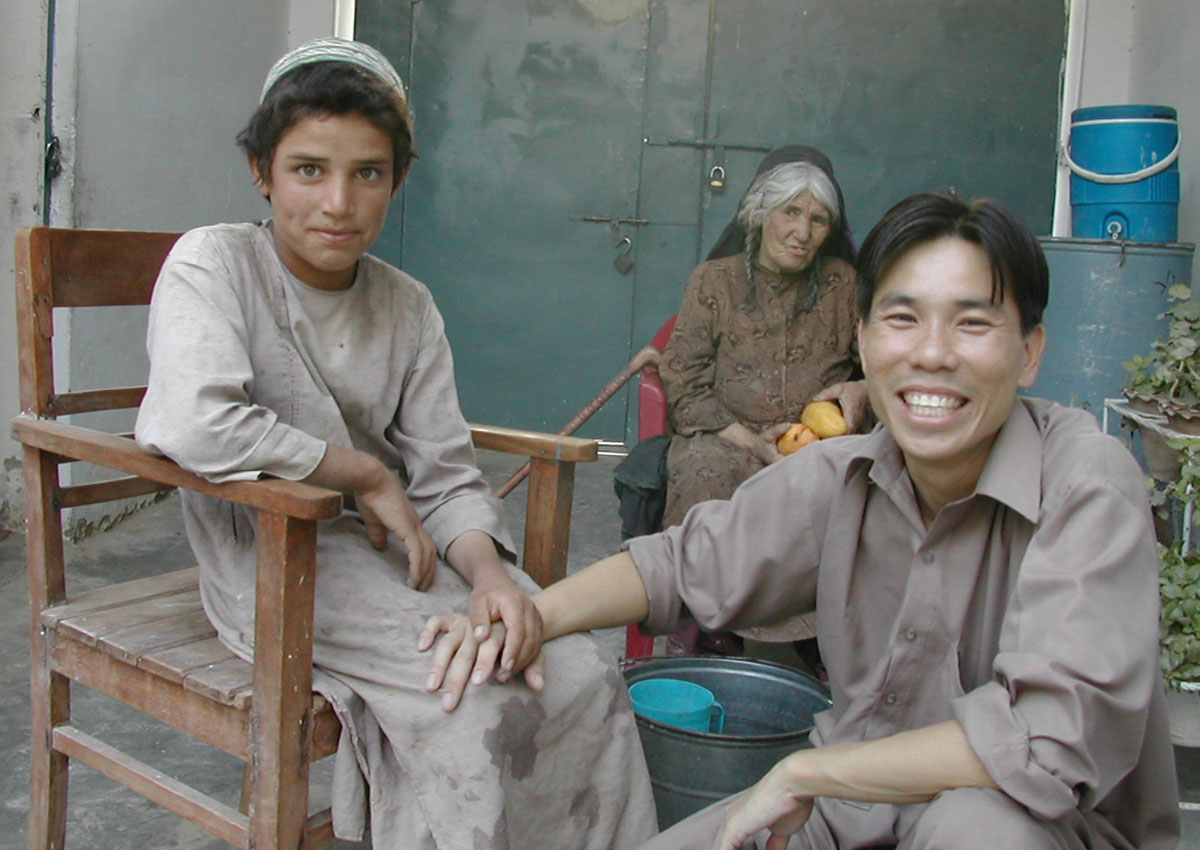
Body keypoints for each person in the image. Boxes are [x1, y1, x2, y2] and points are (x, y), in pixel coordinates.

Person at [424, 191, 1180, 849]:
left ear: (1030, 352)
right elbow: (681, 564)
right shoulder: (845, 472)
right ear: (864, 343)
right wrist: (530, 615)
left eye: (973, 324)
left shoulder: (1085, 483)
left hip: (1030, 830)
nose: (932, 354)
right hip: (848, 816)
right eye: (903, 319)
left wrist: (809, 771)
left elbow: (1047, 741)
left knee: (976, 827)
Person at [134, 37, 655, 850]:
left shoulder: (408, 306)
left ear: (399, 179)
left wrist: (489, 576)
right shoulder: (215, 264)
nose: (339, 202)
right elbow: (192, 422)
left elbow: (444, 475)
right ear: (261, 170)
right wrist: (364, 475)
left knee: (583, 671)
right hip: (274, 558)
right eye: (309, 169)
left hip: (402, 555)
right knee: (476, 698)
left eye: (368, 173)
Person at [657, 145, 866, 656]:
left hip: (820, 441)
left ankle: (819, 634)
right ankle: (711, 619)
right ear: (760, 214)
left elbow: (884, 359)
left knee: (846, 482)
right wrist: (752, 442)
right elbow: (683, 377)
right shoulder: (714, 281)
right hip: (728, 435)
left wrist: (863, 389)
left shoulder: (844, 285)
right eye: (790, 212)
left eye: (818, 219)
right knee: (703, 472)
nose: (802, 231)